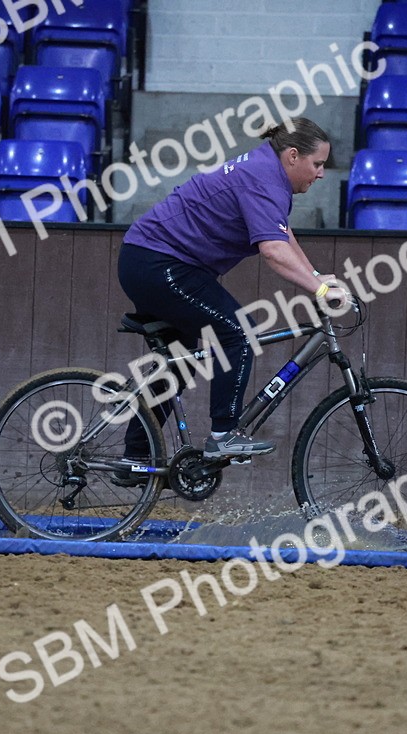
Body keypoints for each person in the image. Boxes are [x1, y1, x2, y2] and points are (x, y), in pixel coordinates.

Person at [116, 117, 347, 471]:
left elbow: (282, 235)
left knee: (179, 364)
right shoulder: (262, 176)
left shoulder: (267, 172)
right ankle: (223, 435)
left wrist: (316, 277)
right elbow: (272, 250)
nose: (321, 174)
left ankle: (134, 459)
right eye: (317, 164)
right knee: (238, 332)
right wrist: (319, 288)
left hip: (153, 261)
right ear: (293, 156)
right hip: (159, 263)